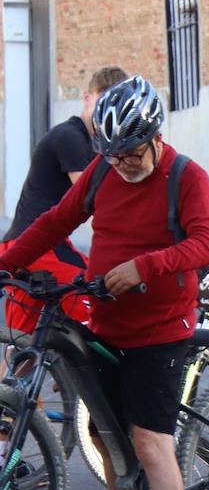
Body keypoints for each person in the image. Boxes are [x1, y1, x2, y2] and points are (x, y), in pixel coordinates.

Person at [0, 75, 209, 490]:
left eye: (131, 153)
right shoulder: (102, 170)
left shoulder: (187, 177)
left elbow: (204, 245)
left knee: (149, 441)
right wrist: (4, 261)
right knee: (104, 436)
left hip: (162, 328)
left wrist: (144, 266)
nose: (122, 163)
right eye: (113, 154)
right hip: (109, 324)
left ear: (154, 137)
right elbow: (56, 221)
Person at [1, 65, 128, 335]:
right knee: (97, 310)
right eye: (101, 101)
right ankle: (76, 378)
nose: (107, 111)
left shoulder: (91, 143)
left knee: (25, 345)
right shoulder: (70, 137)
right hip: (37, 247)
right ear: (86, 97)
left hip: (23, 245)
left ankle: (11, 380)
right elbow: (94, 196)